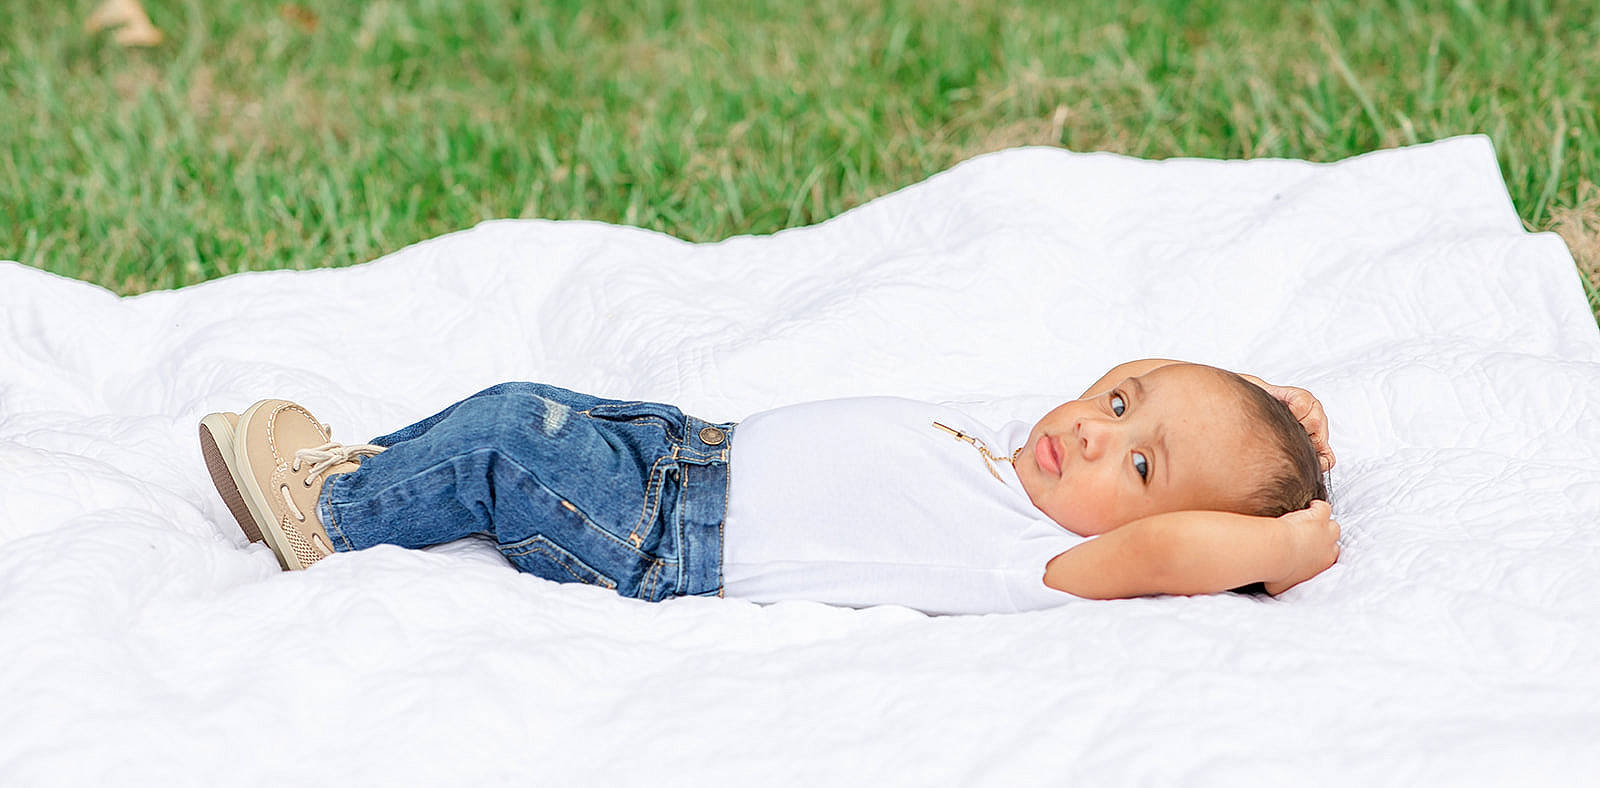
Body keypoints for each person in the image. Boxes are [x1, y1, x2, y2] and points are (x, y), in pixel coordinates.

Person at [197, 359, 1339, 615]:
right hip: (683, 451)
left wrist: (1285, 539)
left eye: (1139, 466)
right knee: (526, 401)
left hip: (664, 534)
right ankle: (371, 472)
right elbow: (1205, 428)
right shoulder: (1023, 457)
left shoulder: (1038, 559)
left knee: (508, 439)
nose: (1095, 433)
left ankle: (331, 521)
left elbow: (1182, 550)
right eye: (1122, 397)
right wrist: (1285, 421)